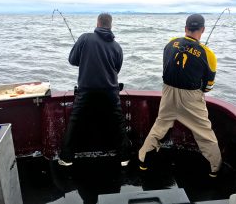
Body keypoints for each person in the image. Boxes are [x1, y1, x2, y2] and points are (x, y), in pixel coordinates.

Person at [138, 14, 222, 177]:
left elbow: (166, 66)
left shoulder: (170, 44)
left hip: (168, 92)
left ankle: (143, 160)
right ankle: (215, 169)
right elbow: (208, 86)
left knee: (160, 125)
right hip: (191, 97)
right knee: (204, 132)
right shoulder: (208, 53)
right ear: (203, 30)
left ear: (185, 28)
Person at [58, 13, 131, 167]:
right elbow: (116, 69)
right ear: (110, 25)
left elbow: (72, 60)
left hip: (87, 90)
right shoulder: (117, 47)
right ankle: (125, 157)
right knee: (118, 121)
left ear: (97, 23)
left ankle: (66, 158)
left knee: (75, 120)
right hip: (110, 91)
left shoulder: (85, 38)